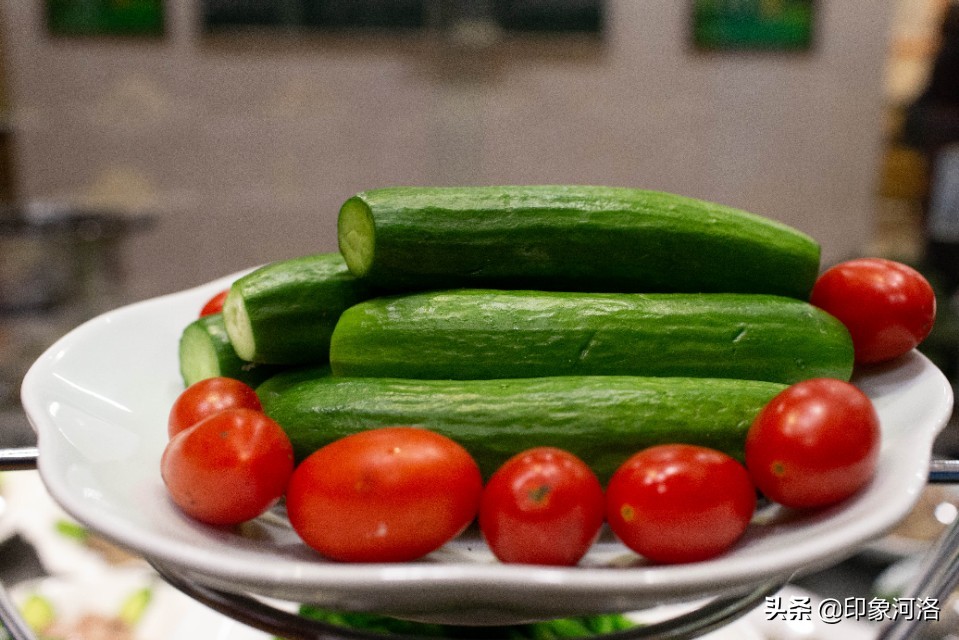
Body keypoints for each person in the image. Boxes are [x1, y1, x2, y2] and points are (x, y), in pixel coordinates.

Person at [905, 3, 959, 291]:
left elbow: (928, 102)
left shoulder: (949, 52)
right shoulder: (948, 52)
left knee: (944, 226)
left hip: (947, 151)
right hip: (945, 152)